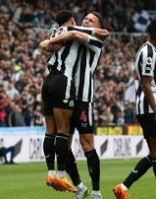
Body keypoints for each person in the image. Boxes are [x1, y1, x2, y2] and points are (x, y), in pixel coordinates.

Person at [39, 10, 108, 194]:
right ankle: (79, 187)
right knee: (65, 143)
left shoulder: (95, 41)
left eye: (91, 20)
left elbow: (75, 33)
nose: (86, 20)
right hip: (65, 92)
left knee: (87, 143)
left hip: (83, 98)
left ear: (97, 27)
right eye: (85, 18)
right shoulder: (69, 37)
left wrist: (49, 42)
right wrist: (47, 43)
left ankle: (96, 192)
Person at [113, 18, 156, 199]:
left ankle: (124, 186)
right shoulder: (148, 53)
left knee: (155, 153)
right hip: (152, 109)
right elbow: (146, 85)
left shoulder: (149, 51)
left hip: (148, 108)